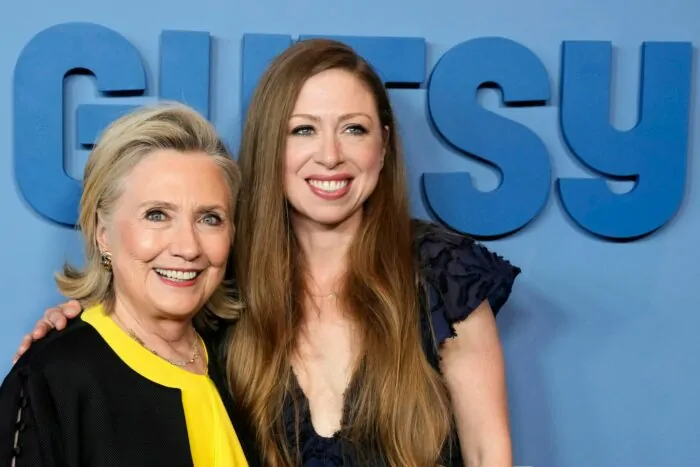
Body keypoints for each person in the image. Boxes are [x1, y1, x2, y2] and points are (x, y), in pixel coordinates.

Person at [15, 39, 520, 466]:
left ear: (383, 146)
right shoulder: (224, 281)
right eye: (303, 129)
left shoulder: (442, 275)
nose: (330, 155)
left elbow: (488, 455)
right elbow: (137, 336)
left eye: (354, 128)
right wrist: (72, 328)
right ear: (269, 144)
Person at [1, 103, 259, 466]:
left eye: (210, 218)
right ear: (103, 233)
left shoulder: (243, 363)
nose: (188, 247)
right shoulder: (52, 376)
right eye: (157, 215)